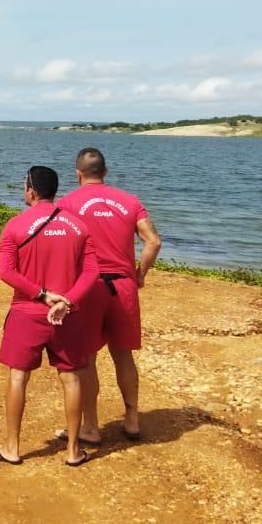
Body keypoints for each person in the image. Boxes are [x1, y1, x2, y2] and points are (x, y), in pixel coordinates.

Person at [0, 165, 100, 467]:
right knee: (71, 379)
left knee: (18, 377)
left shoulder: (15, 225)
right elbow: (92, 271)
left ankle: (12, 448)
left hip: (27, 312)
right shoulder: (79, 226)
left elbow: (6, 272)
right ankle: (72, 450)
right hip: (67, 314)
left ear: (31, 190)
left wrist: (41, 294)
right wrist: (67, 301)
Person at [62, 147, 162, 441]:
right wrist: (139, 273)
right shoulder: (130, 201)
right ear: (105, 173)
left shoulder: (68, 203)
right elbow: (153, 241)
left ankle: (90, 427)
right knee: (123, 355)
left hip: (88, 287)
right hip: (123, 285)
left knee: (88, 358)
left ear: (77, 173)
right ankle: (132, 419)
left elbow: (64, 245)